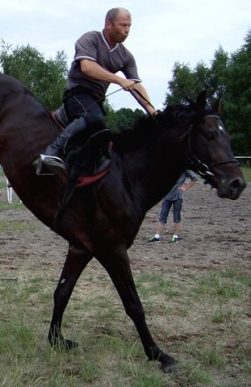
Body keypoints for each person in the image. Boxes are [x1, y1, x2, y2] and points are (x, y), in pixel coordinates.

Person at [37, 7, 156, 176]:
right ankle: (51, 152)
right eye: (123, 25)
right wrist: (120, 80)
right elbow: (87, 67)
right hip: (76, 93)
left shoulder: (126, 56)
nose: (127, 30)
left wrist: (152, 111)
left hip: (96, 101)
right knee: (92, 117)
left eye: (129, 26)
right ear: (108, 24)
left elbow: (136, 85)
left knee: (102, 138)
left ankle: (76, 172)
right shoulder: (91, 39)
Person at [148, 170, 198, 243]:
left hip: (177, 197)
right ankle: (157, 236)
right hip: (167, 196)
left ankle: (175, 237)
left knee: (177, 217)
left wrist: (185, 188)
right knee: (162, 216)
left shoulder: (185, 169)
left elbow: (194, 178)